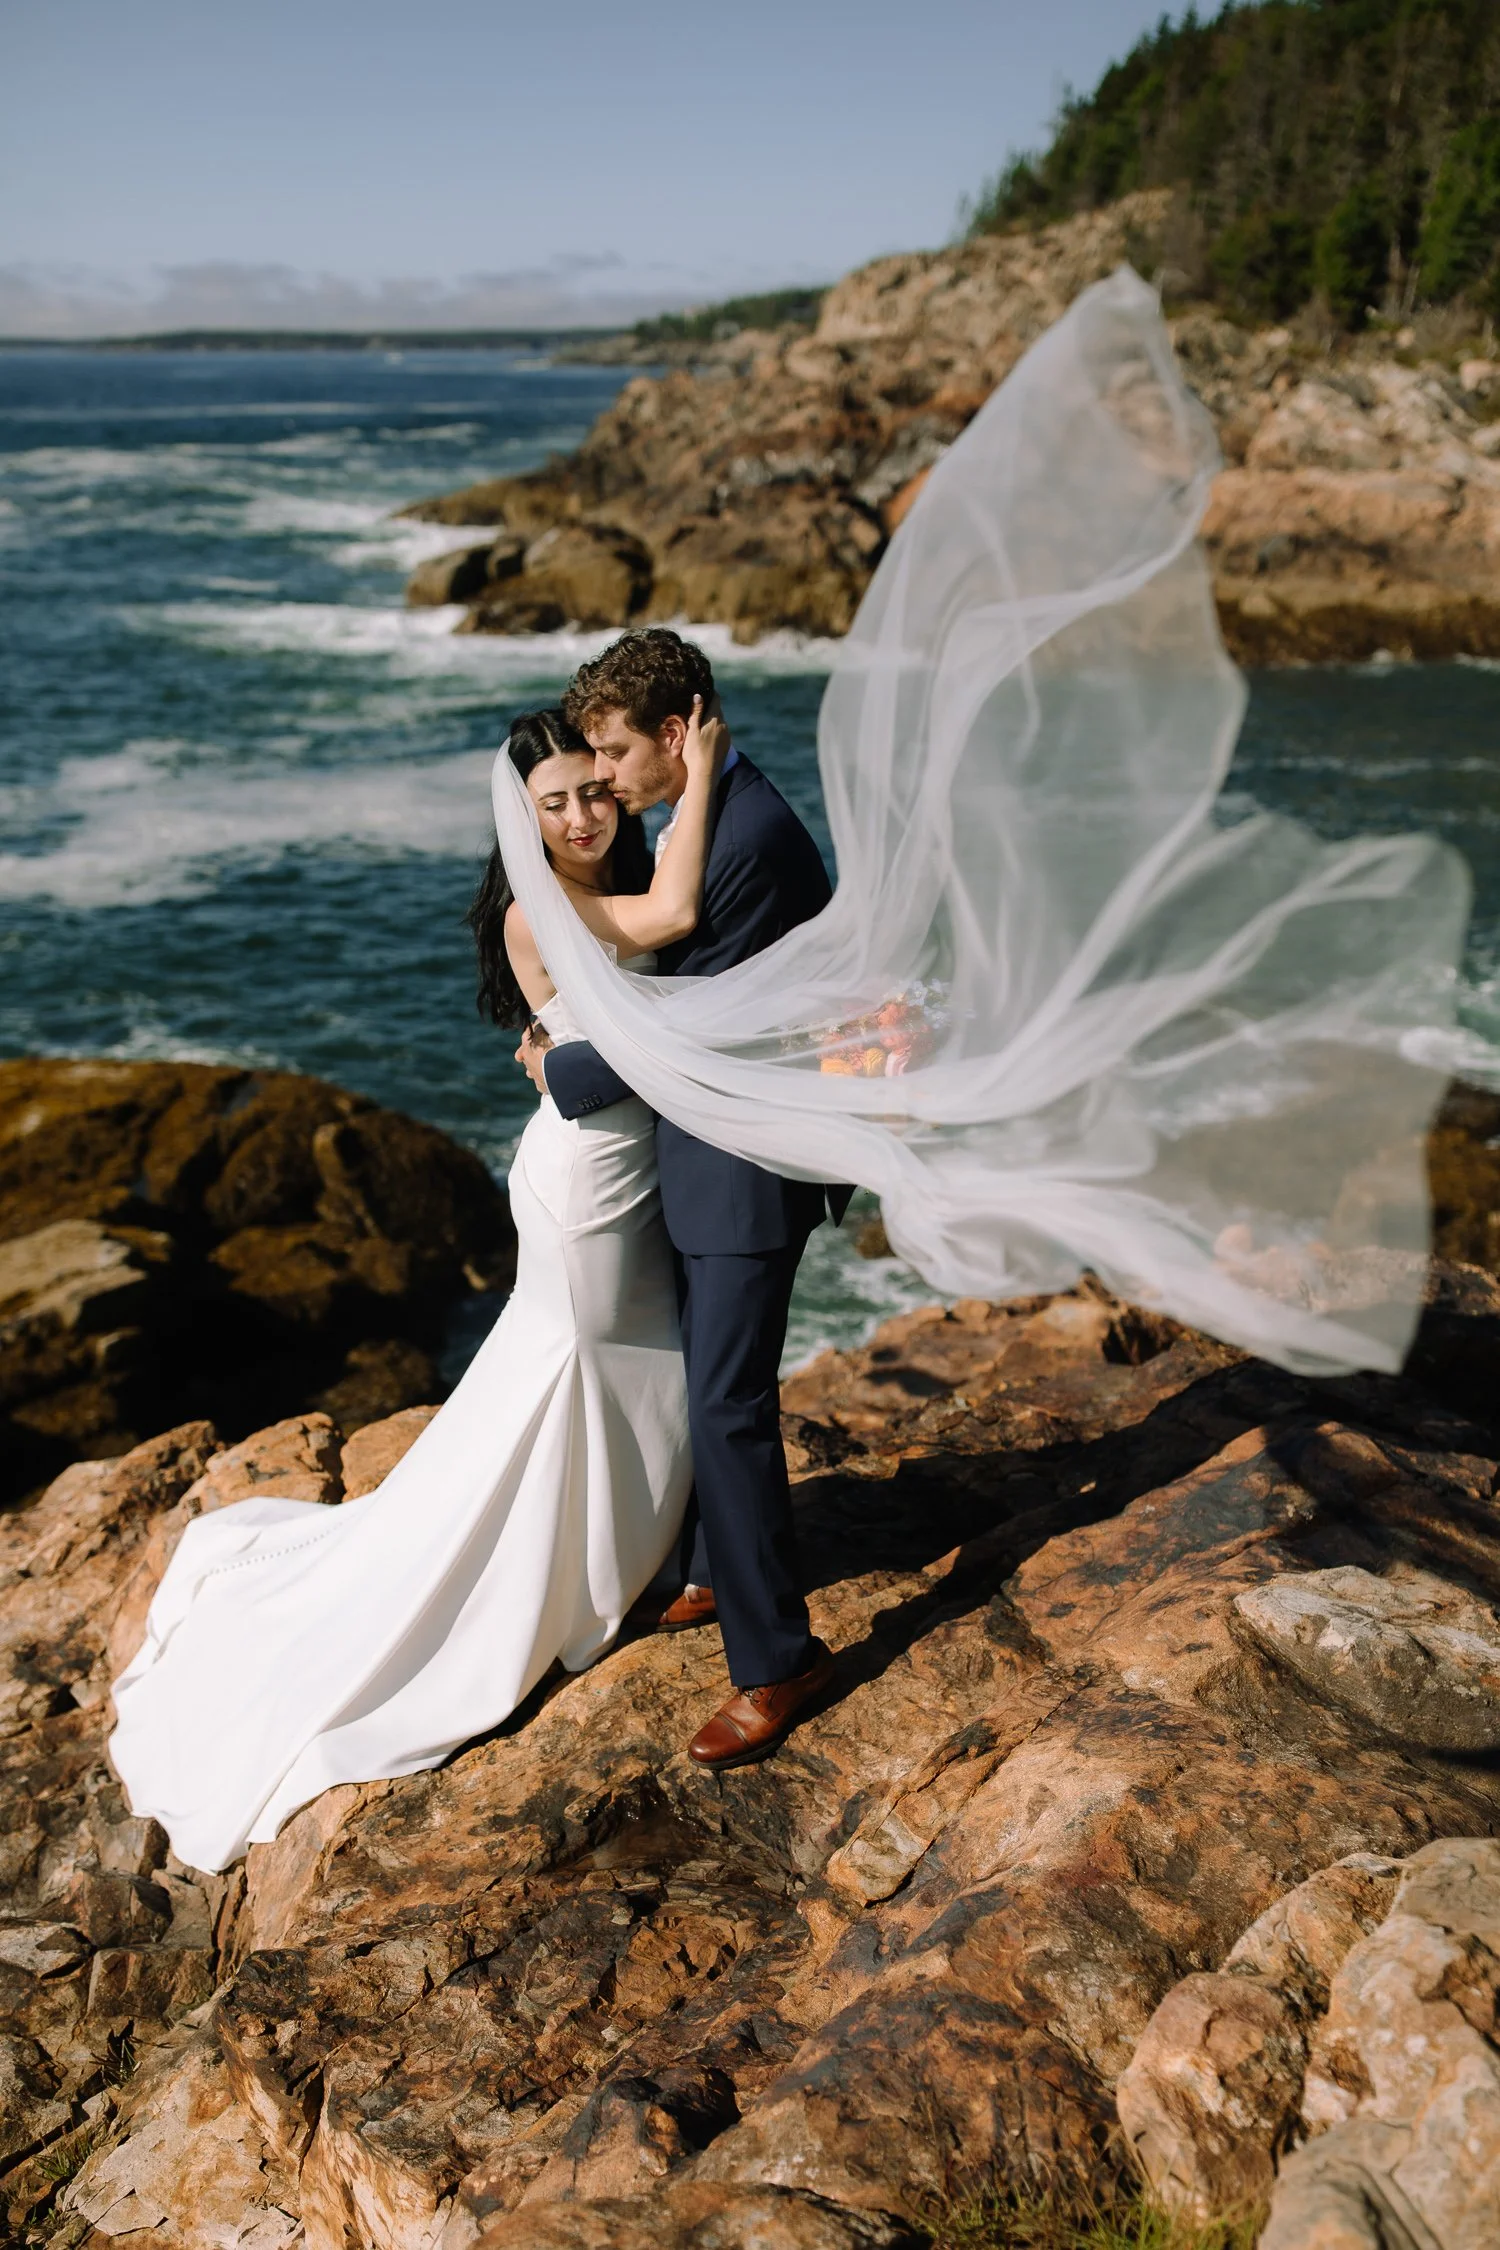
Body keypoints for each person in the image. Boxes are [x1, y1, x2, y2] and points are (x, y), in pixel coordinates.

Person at [108, 704, 726, 1874]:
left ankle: (612, 1565)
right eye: (556, 803)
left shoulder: (587, 887)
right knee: (603, 1359)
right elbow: (681, 917)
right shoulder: (539, 904)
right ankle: (575, 1582)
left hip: (607, 1166)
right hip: (585, 1182)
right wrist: (700, 773)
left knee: (594, 1365)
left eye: (597, 790)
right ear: (522, 820)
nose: (588, 815)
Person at [517, 631, 852, 1772]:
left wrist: (562, 1070)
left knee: (728, 1405)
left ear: (677, 731)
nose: (600, 777)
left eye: (613, 749)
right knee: (707, 1383)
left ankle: (777, 1663)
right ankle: (712, 1565)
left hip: (746, 1171)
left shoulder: (744, 840)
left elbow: (692, 1026)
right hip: (708, 1157)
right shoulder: (710, 812)